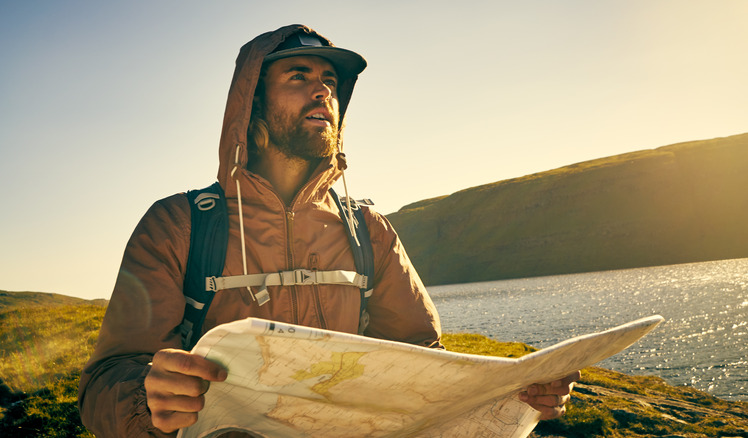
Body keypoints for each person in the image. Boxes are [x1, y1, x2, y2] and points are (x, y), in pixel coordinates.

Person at [78, 24, 578, 437]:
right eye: (299, 76)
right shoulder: (178, 225)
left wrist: (510, 390)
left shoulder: (370, 230)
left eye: (331, 83)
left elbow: (424, 363)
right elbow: (105, 380)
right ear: (250, 102)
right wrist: (148, 400)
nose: (322, 90)